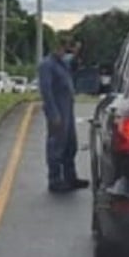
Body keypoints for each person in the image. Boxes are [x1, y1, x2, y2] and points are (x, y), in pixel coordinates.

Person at [39, 38, 89, 193]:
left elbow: (74, 65)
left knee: (70, 144)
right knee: (56, 145)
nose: (64, 50)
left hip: (67, 107)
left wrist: (77, 53)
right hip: (57, 108)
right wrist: (53, 113)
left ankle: (70, 177)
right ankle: (55, 179)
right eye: (62, 46)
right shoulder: (47, 65)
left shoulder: (63, 63)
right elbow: (46, 90)